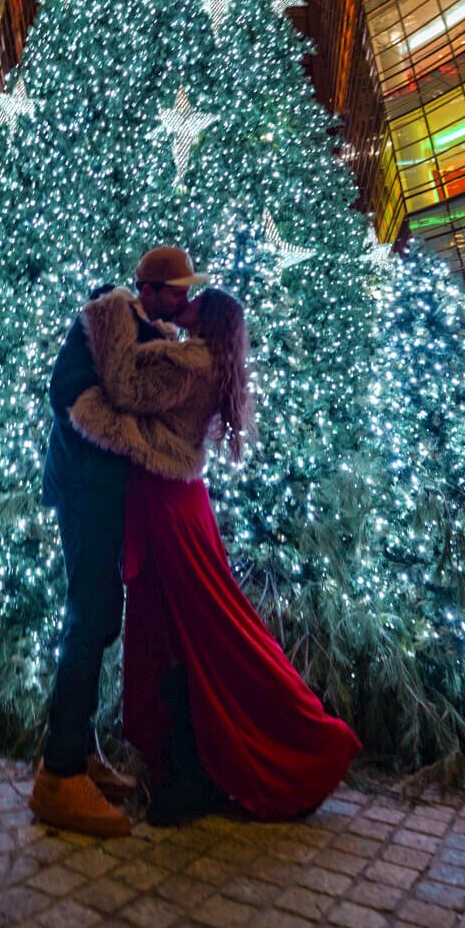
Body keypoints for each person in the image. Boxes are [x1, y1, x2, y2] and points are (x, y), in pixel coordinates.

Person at [68, 284, 361, 823]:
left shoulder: (189, 360)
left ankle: (251, 752)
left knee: (201, 628)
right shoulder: (203, 357)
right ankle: (184, 762)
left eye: (197, 299)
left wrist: (106, 330)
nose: (188, 300)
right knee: (185, 627)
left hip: (168, 502)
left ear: (210, 316)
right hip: (175, 500)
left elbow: (127, 390)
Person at [29, 246, 208, 837]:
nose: (184, 302)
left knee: (100, 620)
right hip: (86, 492)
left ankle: (74, 752)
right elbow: (67, 394)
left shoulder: (149, 330)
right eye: (177, 292)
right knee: (91, 616)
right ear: (150, 288)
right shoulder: (108, 317)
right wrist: (127, 438)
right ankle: (58, 775)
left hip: (108, 496)